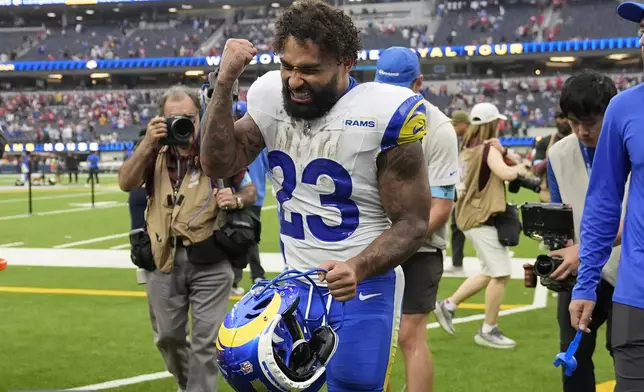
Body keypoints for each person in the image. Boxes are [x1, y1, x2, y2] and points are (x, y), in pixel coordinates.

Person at [200, 1, 432, 390]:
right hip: (295, 283)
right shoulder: (270, 97)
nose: (293, 80)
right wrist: (224, 85)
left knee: (354, 385)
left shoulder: (384, 112)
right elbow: (219, 163)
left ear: (346, 62)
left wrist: (357, 267)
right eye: (287, 66)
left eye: (309, 69)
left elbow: (413, 223)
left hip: (365, 284)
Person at [118, 85, 256, 392]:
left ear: (200, 116)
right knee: (168, 337)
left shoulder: (216, 148)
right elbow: (126, 183)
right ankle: (187, 384)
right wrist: (146, 145)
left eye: (189, 118)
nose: (182, 124)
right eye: (172, 118)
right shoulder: (152, 151)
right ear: (161, 119)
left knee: (206, 342)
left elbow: (249, 190)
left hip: (211, 256)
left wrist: (233, 200)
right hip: (163, 257)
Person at [374, 46, 459, 392]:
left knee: (409, 335)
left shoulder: (438, 128)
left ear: (419, 83)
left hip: (420, 248)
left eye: (399, 89)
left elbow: (441, 205)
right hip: (373, 245)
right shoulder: (368, 116)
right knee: (374, 339)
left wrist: (403, 238)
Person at [570, 2, 644, 390]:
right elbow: (602, 203)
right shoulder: (624, 108)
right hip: (637, 296)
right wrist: (585, 285)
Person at [546, 70, 622, 392]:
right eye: (574, 121)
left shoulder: (633, 143)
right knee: (572, 358)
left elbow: (637, 217)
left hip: (630, 268)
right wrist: (555, 259)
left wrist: (583, 250)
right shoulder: (558, 154)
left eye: (590, 121)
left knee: (628, 353)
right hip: (584, 274)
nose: (582, 131)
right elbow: (561, 218)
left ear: (611, 111)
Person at [434, 102, 530, 349]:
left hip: (468, 214)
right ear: (492, 123)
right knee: (501, 274)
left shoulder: (467, 146)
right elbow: (507, 174)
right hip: (481, 217)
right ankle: (489, 329)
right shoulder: (488, 148)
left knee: (489, 271)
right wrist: (521, 167)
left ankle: (449, 305)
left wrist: (506, 152)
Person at [229, 100, 267, 295]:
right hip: (254, 194)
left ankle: (242, 278)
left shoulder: (235, 139)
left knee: (244, 236)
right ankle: (253, 276)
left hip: (247, 194)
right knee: (245, 237)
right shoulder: (258, 139)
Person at [532, 111, 572, 202]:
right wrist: (553, 157)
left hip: (574, 193)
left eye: (567, 117)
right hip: (548, 195)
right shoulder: (545, 142)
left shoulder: (581, 141)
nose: (564, 120)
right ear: (555, 120)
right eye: (561, 117)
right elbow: (536, 169)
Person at [448, 110, 470, 272]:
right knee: (456, 225)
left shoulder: (472, 141)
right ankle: (457, 262)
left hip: (471, 189)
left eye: (456, 124)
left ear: (464, 124)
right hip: (461, 186)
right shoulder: (461, 140)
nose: (454, 128)